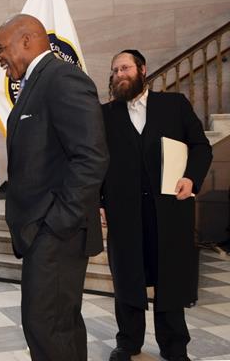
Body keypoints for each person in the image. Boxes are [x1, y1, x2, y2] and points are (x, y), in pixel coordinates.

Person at [0, 14, 109, 361]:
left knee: (46, 327)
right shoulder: (37, 83)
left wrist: (57, 222)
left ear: (27, 40)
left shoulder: (62, 78)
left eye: (1, 48)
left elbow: (91, 157)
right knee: (59, 325)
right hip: (46, 230)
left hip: (57, 232)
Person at [101, 50, 212, 361]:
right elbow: (97, 162)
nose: (119, 74)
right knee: (127, 279)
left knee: (171, 279)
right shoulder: (105, 114)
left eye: (124, 68)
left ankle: (175, 348)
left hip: (169, 211)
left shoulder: (174, 105)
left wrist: (191, 178)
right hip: (125, 212)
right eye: (114, 70)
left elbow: (200, 146)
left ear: (142, 69)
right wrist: (99, 201)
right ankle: (128, 343)